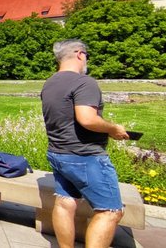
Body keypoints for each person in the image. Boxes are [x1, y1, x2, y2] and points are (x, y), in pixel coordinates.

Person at [41, 39, 128, 248]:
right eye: (86, 55)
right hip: (85, 156)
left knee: (65, 202)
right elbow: (87, 118)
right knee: (110, 211)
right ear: (80, 54)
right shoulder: (84, 82)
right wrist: (113, 128)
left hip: (58, 153)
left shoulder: (50, 82)